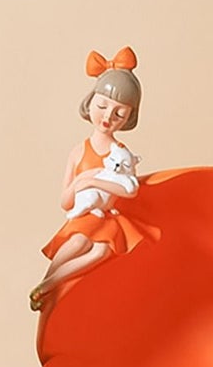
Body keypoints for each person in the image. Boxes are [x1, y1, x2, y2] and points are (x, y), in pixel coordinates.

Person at [30, 47, 158, 310]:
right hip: (83, 217)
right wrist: (80, 182)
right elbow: (65, 202)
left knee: (101, 250)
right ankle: (46, 285)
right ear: (90, 103)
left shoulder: (121, 153)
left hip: (107, 219)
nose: (108, 117)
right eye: (102, 106)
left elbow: (129, 189)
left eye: (119, 113)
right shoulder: (78, 152)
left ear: (129, 117)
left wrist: (92, 181)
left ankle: (49, 284)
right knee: (79, 241)